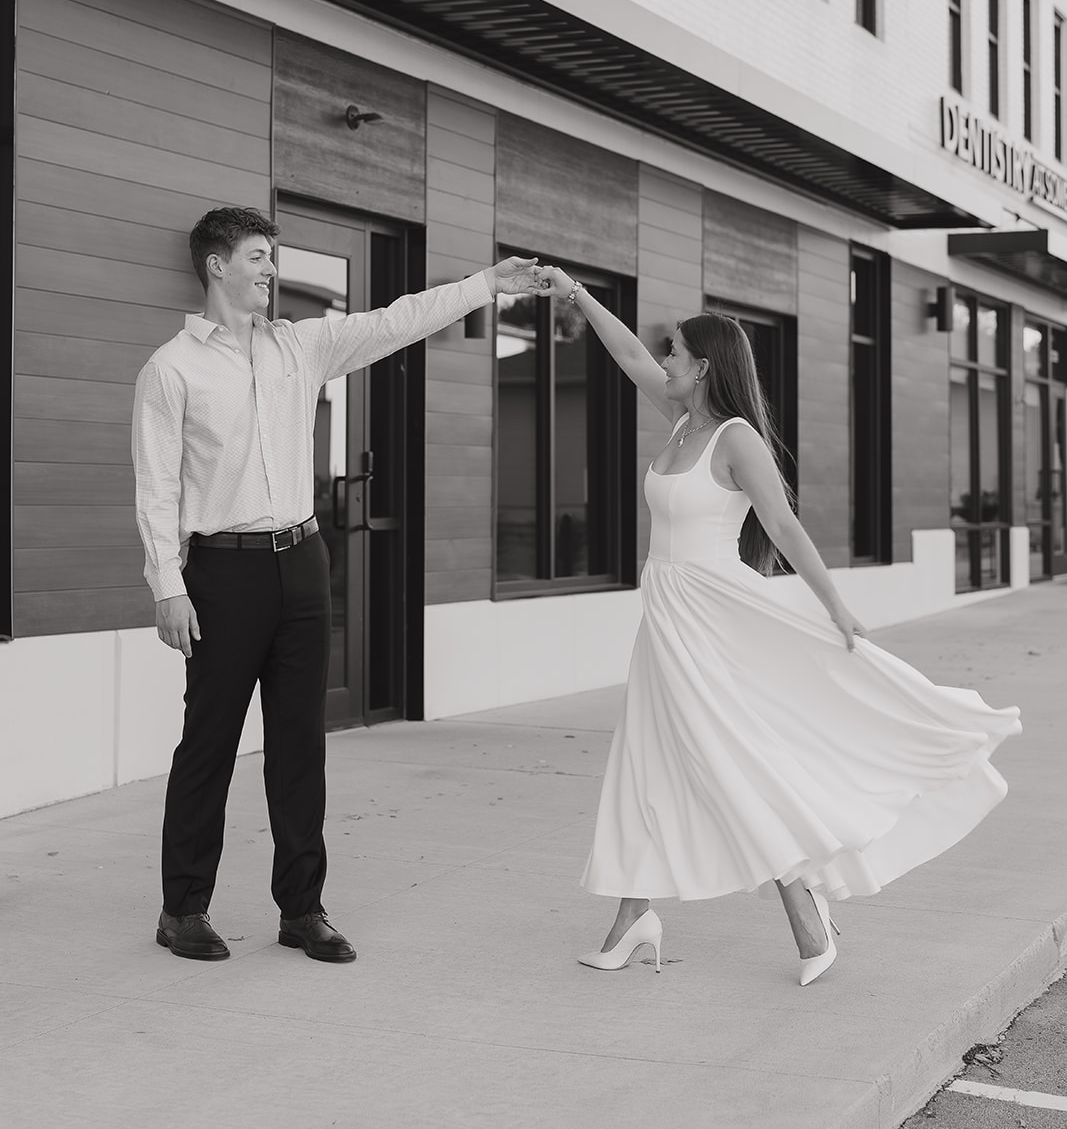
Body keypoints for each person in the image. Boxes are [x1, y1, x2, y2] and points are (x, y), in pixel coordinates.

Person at [537, 268, 1021, 986]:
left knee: (723, 765)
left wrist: (834, 606)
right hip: (665, 618)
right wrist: (576, 296)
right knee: (645, 764)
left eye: (674, 352)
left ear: (702, 368)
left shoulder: (734, 440)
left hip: (713, 619)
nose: (662, 359)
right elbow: (627, 356)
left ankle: (803, 909)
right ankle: (633, 918)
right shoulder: (679, 423)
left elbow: (783, 525)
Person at [133, 206, 546, 964]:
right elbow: (156, 488)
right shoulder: (172, 368)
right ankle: (182, 910)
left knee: (299, 747)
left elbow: (398, 321)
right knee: (209, 746)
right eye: (257, 256)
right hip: (220, 572)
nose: (270, 270)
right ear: (216, 265)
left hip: (301, 562)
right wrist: (168, 586)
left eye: (272, 257)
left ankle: (302, 910)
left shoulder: (302, 347)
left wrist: (486, 284)